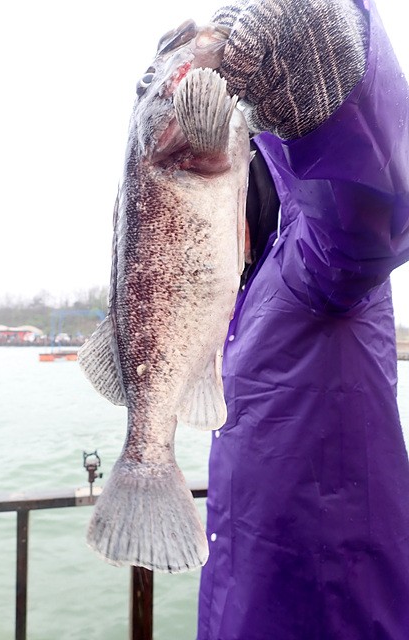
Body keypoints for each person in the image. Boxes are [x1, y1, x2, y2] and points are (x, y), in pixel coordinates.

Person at [195, 0, 409, 638]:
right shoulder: (248, 297)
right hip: (236, 604)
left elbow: (371, 202)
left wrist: (314, 50)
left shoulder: (320, 265)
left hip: (333, 613)